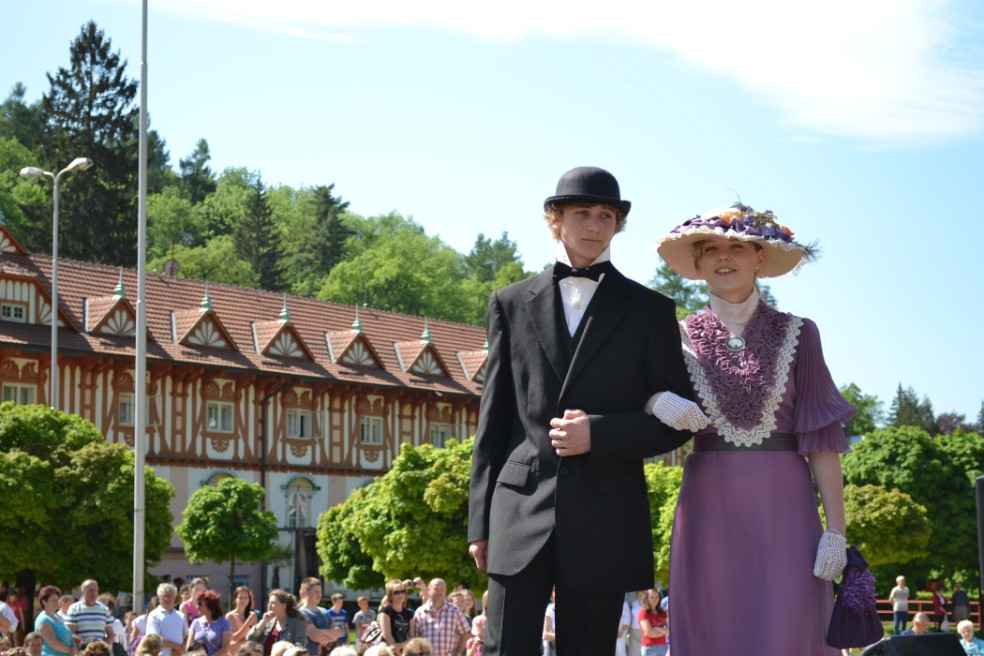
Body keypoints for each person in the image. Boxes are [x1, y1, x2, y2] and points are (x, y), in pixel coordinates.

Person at [467, 166, 693, 656]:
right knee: (504, 649)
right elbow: (494, 419)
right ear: (556, 220)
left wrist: (601, 434)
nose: (595, 225)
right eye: (583, 213)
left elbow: (678, 420)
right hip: (518, 509)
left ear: (617, 225)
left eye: (606, 215)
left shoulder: (650, 310)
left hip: (605, 514)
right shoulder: (508, 303)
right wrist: (479, 522)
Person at [651, 203, 855, 656]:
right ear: (699, 263)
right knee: (713, 627)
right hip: (708, 506)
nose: (724, 257)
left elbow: (821, 439)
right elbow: (629, 395)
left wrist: (836, 531)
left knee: (788, 624)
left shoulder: (802, 334)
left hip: (786, 506)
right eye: (711, 248)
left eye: (737, 247)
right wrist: (653, 400)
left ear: (759, 257)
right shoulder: (672, 336)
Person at [410, 580, 468, 656]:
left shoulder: (454, 611)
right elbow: (416, 637)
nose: (439, 592)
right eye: (436, 589)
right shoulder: (420, 612)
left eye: (442, 589)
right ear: (429, 590)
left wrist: (458, 652)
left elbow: (465, 633)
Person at [246, 590, 306, 656]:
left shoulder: (297, 623)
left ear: (283, 606)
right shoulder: (268, 622)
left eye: (273, 603)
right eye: (268, 602)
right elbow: (250, 638)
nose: (269, 605)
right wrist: (263, 622)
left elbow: (300, 648)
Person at [296, 580, 343, 655]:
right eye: (316, 591)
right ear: (306, 592)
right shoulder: (302, 612)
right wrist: (331, 636)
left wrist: (320, 631)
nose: (319, 594)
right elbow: (315, 636)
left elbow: (339, 632)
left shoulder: (324, 611)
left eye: (320, 591)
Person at [35, 586, 77, 656]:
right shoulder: (43, 620)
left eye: (57, 599)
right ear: (44, 602)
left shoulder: (58, 616)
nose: (56, 602)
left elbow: (69, 637)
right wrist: (70, 651)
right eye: (53, 600)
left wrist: (75, 647)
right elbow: (53, 643)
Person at [146, 583, 187, 656]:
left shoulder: (181, 616)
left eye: (169, 596)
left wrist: (182, 649)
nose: (167, 599)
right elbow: (154, 638)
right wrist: (177, 647)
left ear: (175, 598)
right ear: (159, 598)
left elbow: (186, 636)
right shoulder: (154, 615)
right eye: (164, 596)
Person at [186, 591, 231, 656]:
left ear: (210, 605)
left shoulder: (224, 623)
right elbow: (189, 648)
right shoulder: (195, 623)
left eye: (200, 604)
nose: (197, 607)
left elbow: (225, 649)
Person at [378, 580, 413, 655]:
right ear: (390, 595)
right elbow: (386, 635)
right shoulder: (385, 611)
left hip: (405, 651)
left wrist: (401, 648)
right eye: (396, 592)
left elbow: (412, 636)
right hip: (388, 652)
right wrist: (397, 652)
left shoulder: (409, 613)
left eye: (403, 591)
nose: (400, 594)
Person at [636, 589, 667, 656]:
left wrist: (656, 628)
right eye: (652, 597)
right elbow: (649, 633)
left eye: (656, 597)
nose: (655, 599)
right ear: (646, 598)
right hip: (649, 647)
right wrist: (664, 631)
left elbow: (670, 631)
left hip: (663, 647)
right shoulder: (643, 613)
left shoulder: (663, 613)